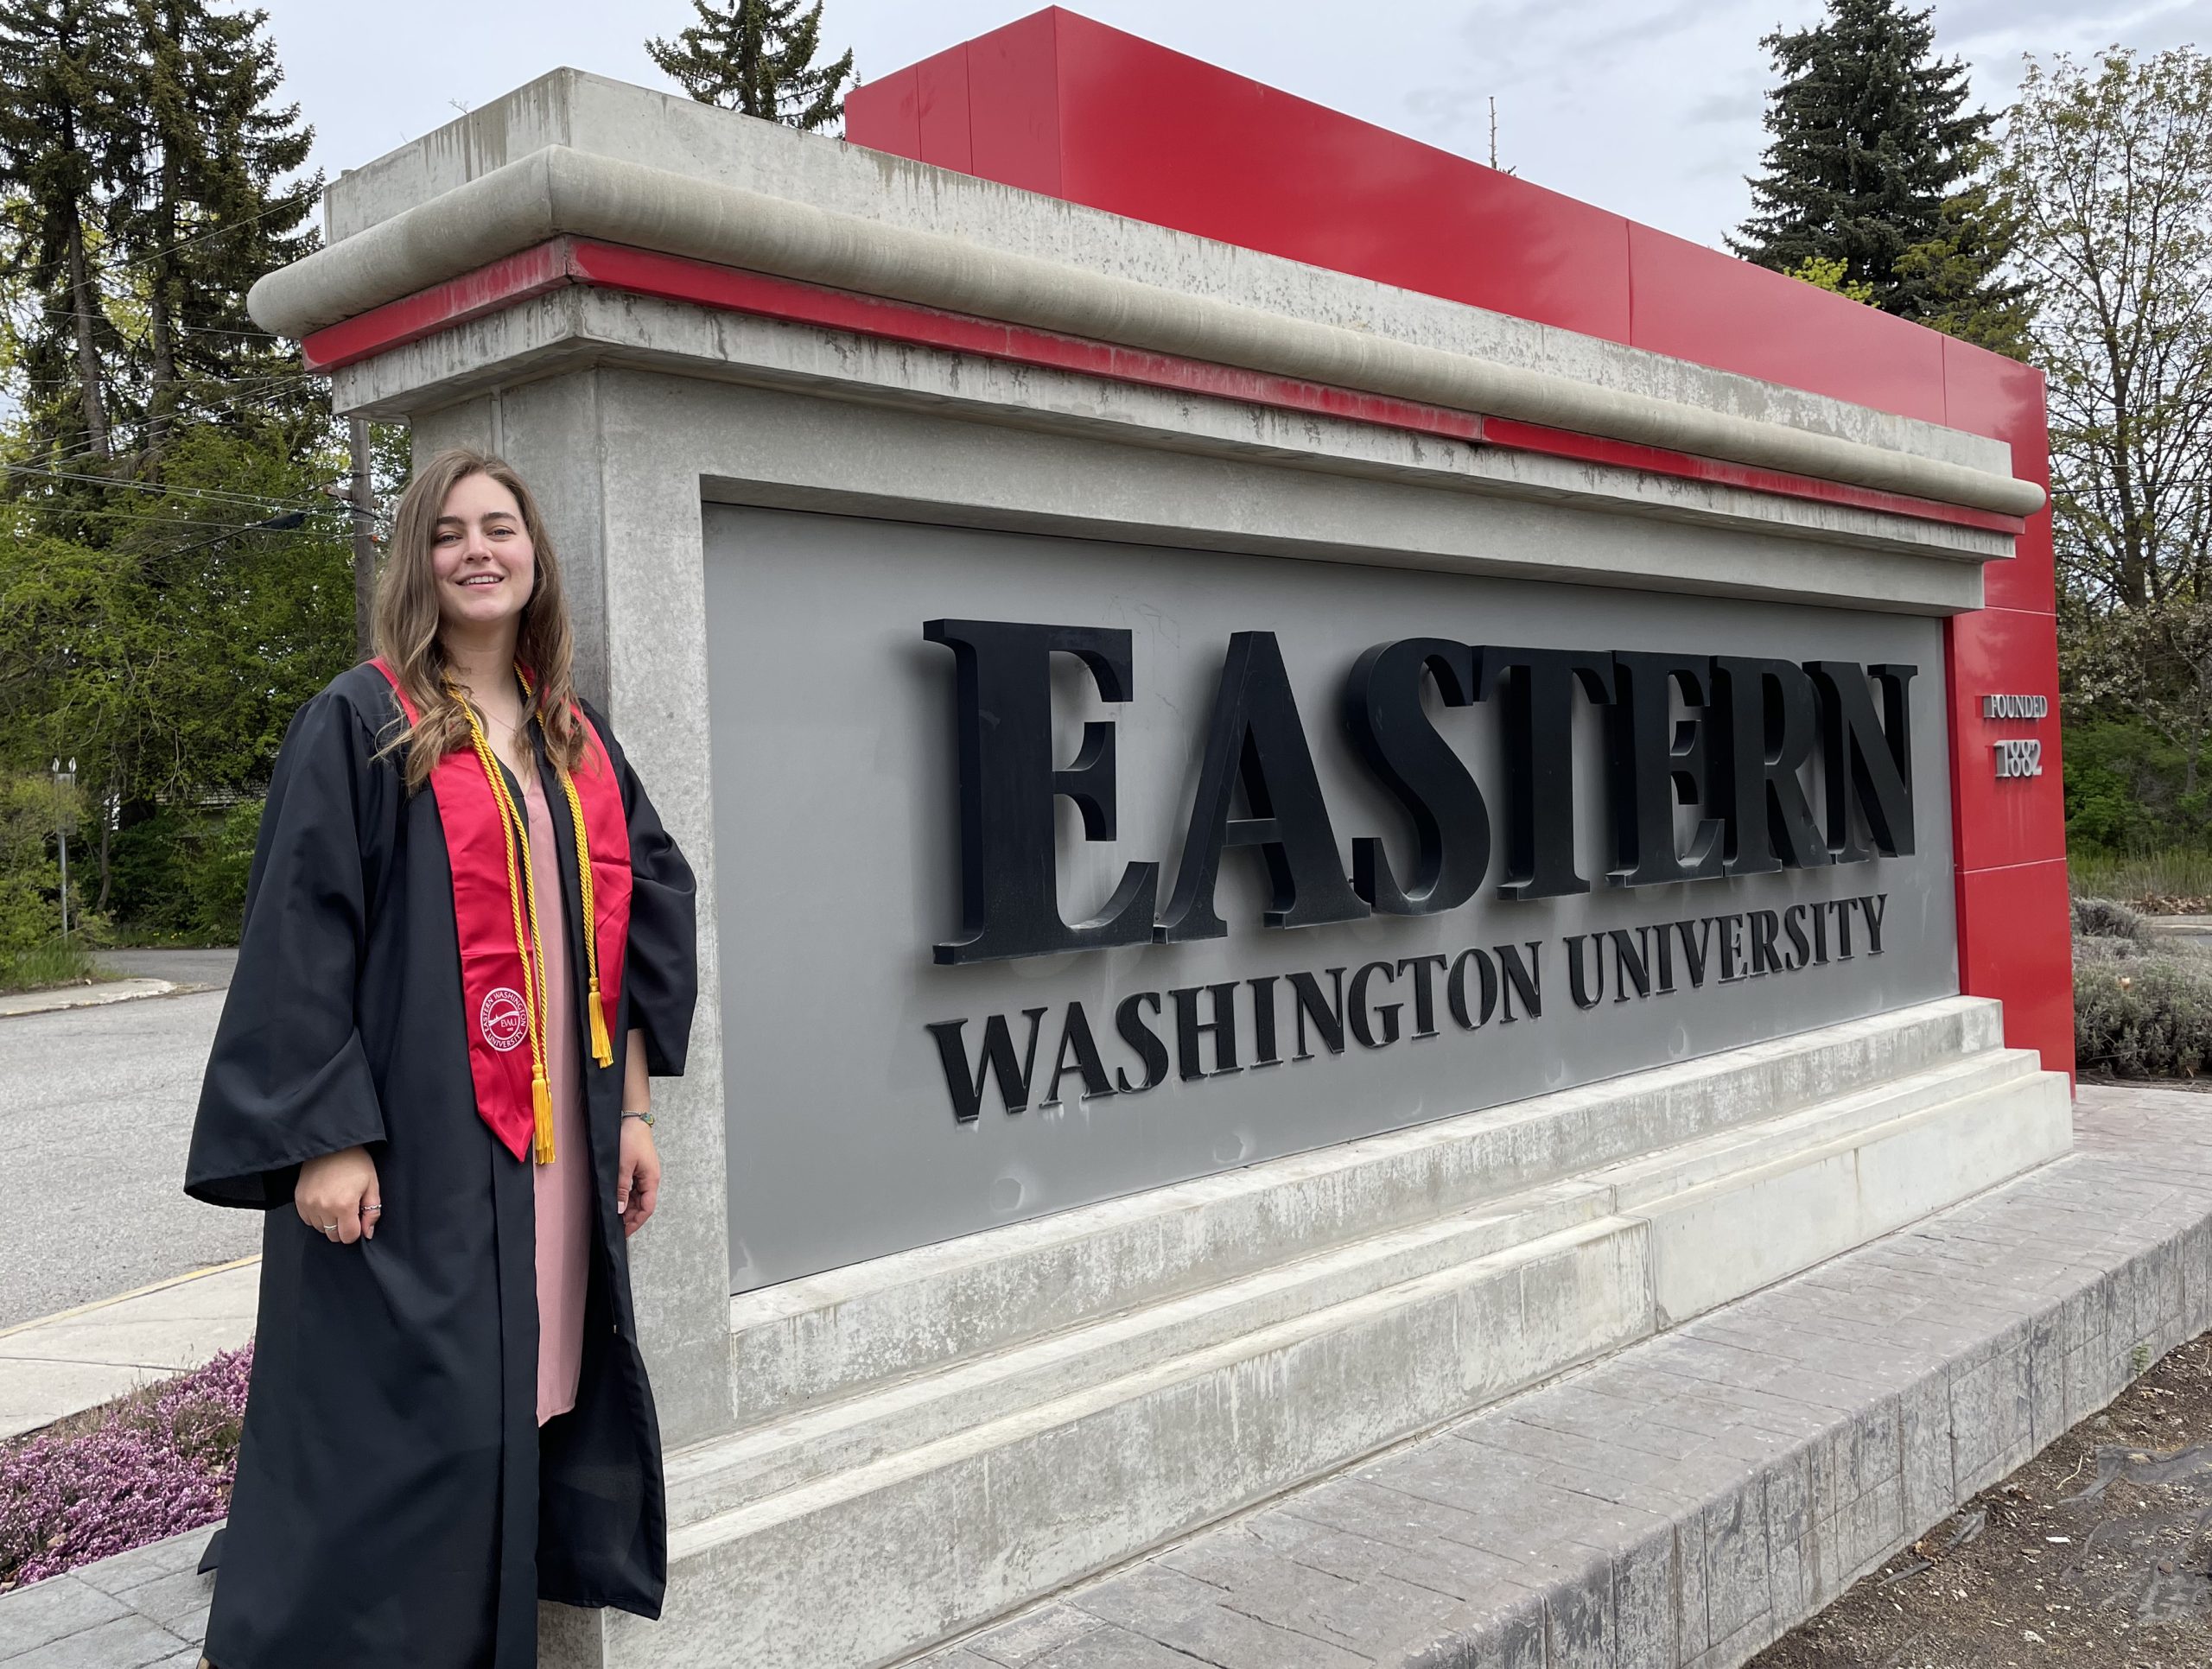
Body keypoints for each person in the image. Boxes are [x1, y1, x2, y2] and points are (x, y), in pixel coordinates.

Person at [183, 447, 699, 1669]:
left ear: (534, 556)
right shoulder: (362, 721)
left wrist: (632, 1112)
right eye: (448, 532)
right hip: (414, 1137)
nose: (478, 551)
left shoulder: (573, 738)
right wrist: (325, 1136)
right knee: (408, 1412)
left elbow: (637, 930)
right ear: (416, 562)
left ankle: (494, 1627)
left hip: (553, 1144)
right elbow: (301, 934)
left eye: (499, 528)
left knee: (523, 1389)